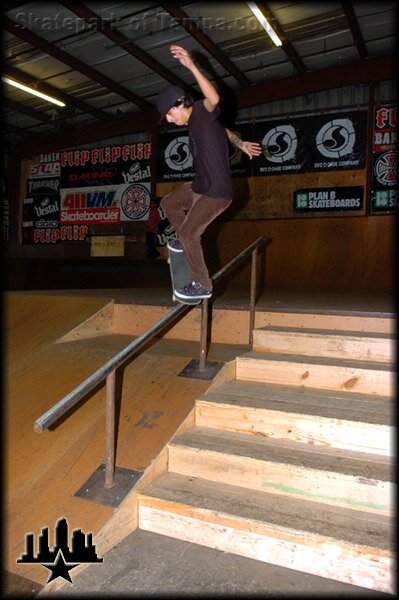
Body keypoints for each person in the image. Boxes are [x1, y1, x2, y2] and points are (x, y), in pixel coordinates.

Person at [157, 44, 262, 301]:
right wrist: (240, 143)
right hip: (200, 186)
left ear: (180, 103)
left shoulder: (202, 112)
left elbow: (213, 99)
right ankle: (184, 243)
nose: (170, 120)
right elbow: (223, 130)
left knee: (190, 233)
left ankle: (202, 284)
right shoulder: (198, 122)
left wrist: (191, 65)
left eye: (170, 114)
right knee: (169, 203)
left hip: (216, 192)